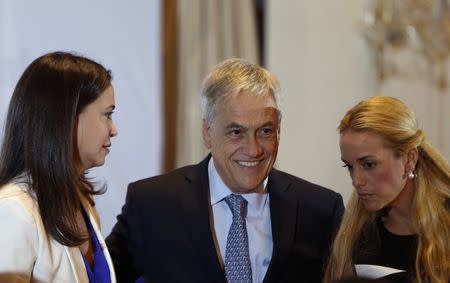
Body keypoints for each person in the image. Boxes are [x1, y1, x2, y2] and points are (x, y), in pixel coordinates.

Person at [106, 58, 344, 283]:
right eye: (236, 132)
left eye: (265, 131)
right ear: (207, 133)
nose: (253, 149)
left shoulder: (320, 210)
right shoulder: (151, 204)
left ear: (279, 131)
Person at [0, 51, 118, 282]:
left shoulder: (80, 199)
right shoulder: (14, 210)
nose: (114, 129)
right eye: (107, 115)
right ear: (67, 118)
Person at [324, 96, 450, 283]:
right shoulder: (356, 235)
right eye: (349, 166)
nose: (356, 181)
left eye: (369, 164)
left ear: (409, 159)